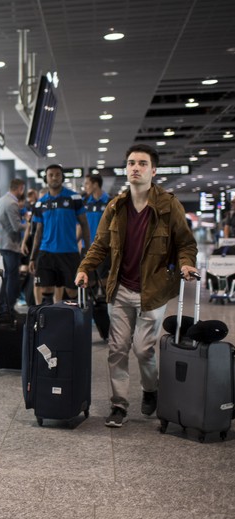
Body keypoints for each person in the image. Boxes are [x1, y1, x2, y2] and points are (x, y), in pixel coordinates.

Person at [75, 144, 198, 428]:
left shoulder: (169, 205)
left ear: (153, 171)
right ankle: (119, 405)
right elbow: (100, 244)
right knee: (117, 349)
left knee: (144, 349)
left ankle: (150, 390)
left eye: (142, 163)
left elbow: (185, 243)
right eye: (131, 163)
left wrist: (186, 263)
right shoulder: (116, 206)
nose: (135, 167)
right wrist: (85, 268)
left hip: (153, 292)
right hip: (120, 289)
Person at [29, 165, 90, 304]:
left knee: (72, 291)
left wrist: (87, 248)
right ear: (46, 178)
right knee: (46, 290)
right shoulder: (40, 203)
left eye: (57, 174)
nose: (54, 177)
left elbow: (84, 224)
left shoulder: (74, 198)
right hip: (46, 253)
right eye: (51, 175)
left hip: (69, 252)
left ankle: (74, 323)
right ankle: (49, 323)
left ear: (62, 177)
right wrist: (33, 257)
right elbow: (38, 231)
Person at [0, 178, 26, 314]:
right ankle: (8, 308)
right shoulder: (12, 203)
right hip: (10, 245)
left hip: (3, 243)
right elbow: (16, 227)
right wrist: (30, 224)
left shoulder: (2, 199)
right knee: (12, 278)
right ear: (20, 188)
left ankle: (2, 306)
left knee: (7, 276)